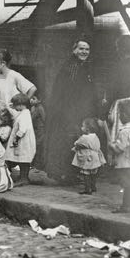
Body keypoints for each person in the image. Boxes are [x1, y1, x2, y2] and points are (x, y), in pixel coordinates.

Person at [43, 39, 99, 184]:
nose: (84, 52)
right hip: (67, 111)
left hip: (76, 110)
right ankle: (65, 175)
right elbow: (69, 92)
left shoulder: (83, 66)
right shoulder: (72, 66)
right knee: (68, 141)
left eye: (87, 49)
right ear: (74, 50)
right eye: (81, 49)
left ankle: (70, 174)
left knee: (74, 141)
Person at [104, 35, 130, 162]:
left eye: (118, 47)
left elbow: (113, 89)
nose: (117, 50)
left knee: (119, 136)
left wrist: (107, 106)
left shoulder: (117, 67)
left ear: (121, 49)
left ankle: (119, 167)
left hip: (121, 106)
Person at [106, 100, 130, 213]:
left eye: (120, 114)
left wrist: (111, 145)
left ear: (125, 115)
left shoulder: (125, 131)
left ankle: (126, 206)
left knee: (127, 185)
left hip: (127, 163)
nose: (120, 116)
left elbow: (120, 148)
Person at [0, 49, 36, 119]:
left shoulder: (14, 75)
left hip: (9, 114)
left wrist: (21, 104)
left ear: (3, 63)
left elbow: (32, 89)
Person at [4, 94, 36, 186]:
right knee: (22, 159)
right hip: (23, 141)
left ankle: (24, 178)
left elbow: (22, 129)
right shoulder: (24, 113)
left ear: (21, 104)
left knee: (24, 160)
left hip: (23, 141)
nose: (14, 107)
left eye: (15, 105)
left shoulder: (24, 115)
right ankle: (23, 177)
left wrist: (16, 138)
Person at [71, 118, 106, 195]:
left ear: (87, 129)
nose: (81, 128)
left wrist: (76, 144)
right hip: (95, 157)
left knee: (86, 173)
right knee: (93, 173)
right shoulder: (95, 136)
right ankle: (93, 186)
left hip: (88, 158)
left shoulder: (84, 138)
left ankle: (87, 189)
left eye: (82, 126)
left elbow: (77, 143)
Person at [29, 95, 46, 170]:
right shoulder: (34, 108)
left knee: (37, 146)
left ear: (39, 100)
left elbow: (43, 119)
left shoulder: (40, 108)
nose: (31, 100)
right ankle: (33, 164)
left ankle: (37, 165)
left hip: (39, 130)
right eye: (31, 98)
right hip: (34, 130)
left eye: (34, 99)